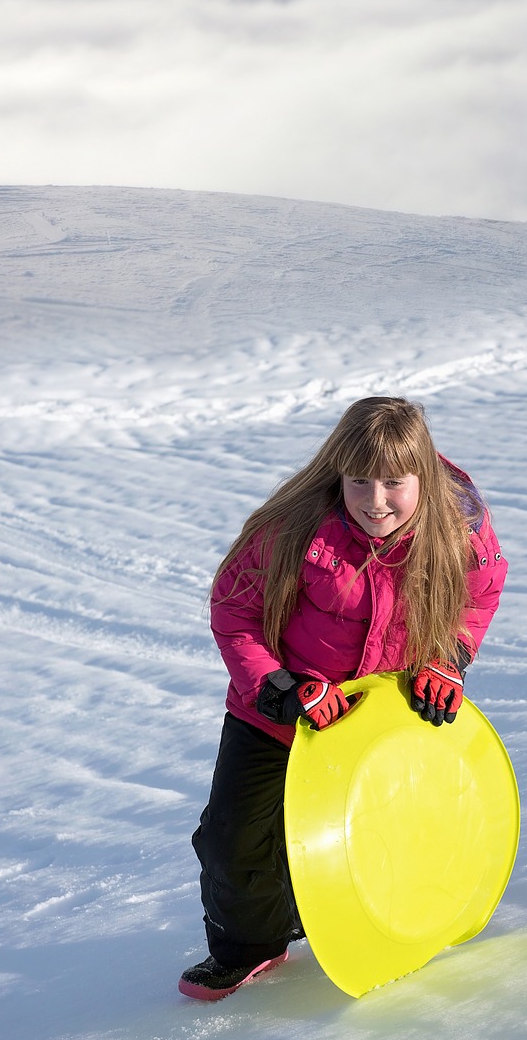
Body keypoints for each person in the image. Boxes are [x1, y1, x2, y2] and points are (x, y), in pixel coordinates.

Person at [178, 396, 507, 1000]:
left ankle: (372, 924)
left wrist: (448, 661)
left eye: (393, 483)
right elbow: (235, 610)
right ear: (338, 474)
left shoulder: (458, 530)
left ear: (423, 480)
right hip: (278, 714)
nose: (376, 501)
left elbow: (478, 598)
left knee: (379, 833)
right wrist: (278, 687)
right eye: (360, 481)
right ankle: (252, 945)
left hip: (380, 722)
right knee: (234, 838)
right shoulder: (295, 529)